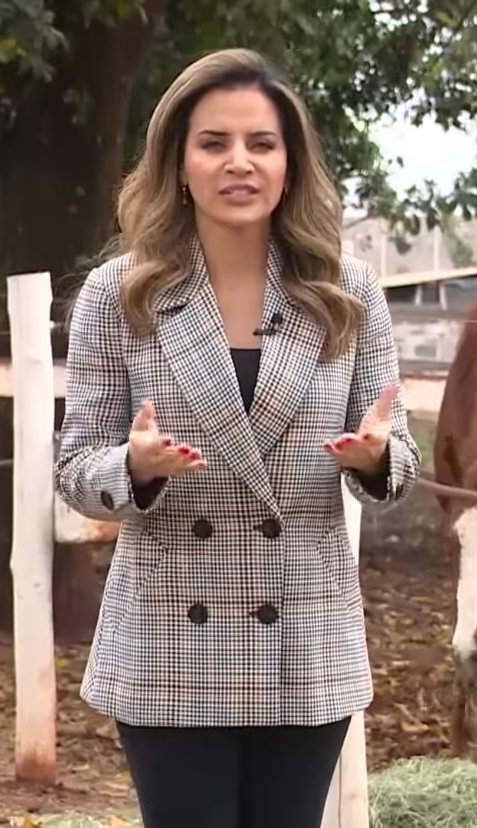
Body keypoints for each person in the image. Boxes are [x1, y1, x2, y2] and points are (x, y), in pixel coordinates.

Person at [52, 47, 420, 828]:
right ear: (178, 163)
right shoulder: (117, 295)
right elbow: (76, 465)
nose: (239, 163)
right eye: (213, 143)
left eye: (261, 143)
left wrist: (378, 457)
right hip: (167, 635)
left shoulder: (346, 292)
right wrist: (135, 467)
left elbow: (402, 455)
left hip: (305, 631)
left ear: (291, 161)